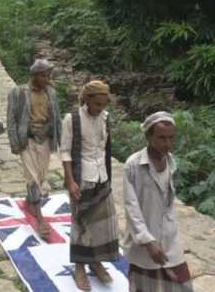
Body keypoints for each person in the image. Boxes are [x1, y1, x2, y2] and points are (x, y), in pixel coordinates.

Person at [123, 112, 193, 292]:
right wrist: (147, 241)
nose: (167, 144)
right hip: (144, 237)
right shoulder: (133, 165)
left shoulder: (170, 162)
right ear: (148, 136)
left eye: (171, 138)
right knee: (144, 284)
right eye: (162, 138)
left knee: (181, 283)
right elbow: (132, 207)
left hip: (169, 236)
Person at [61, 80, 119, 291]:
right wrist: (70, 181)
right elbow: (65, 152)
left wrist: (108, 178)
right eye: (97, 104)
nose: (100, 109)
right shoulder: (72, 120)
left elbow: (105, 150)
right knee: (81, 223)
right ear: (87, 100)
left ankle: (96, 261)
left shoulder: (105, 118)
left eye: (104, 105)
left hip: (102, 177)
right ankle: (79, 267)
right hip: (82, 179)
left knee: (102, 224)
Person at [7, 59, 62, 239]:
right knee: (32, 176)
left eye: (48, 75)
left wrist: (58, 138)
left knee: (41, 174)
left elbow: (57, 117)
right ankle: (39, 218)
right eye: (44, 75)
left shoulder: (51, 93)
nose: (47, 78)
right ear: (35, 75)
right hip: (27, 139)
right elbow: (12, 119)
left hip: (45, 138)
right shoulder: (18, 92)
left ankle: (30, 201)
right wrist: (15, 142)